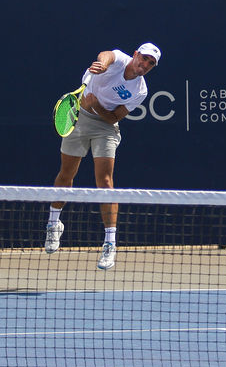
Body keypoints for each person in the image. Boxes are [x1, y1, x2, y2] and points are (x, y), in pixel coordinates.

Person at [44, 42, 160, 270]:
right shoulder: (118, 59)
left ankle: (110, 243)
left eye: (151, 63)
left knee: (105, 183)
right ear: (135, 54)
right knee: (66, 174)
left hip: (105, 126)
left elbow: (114, 117)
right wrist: (102, 65)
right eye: (144, 58)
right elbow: (106, 55)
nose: (145, 64)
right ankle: (53, 223)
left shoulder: (141, 91)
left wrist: (96, 104)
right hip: (79, 117)